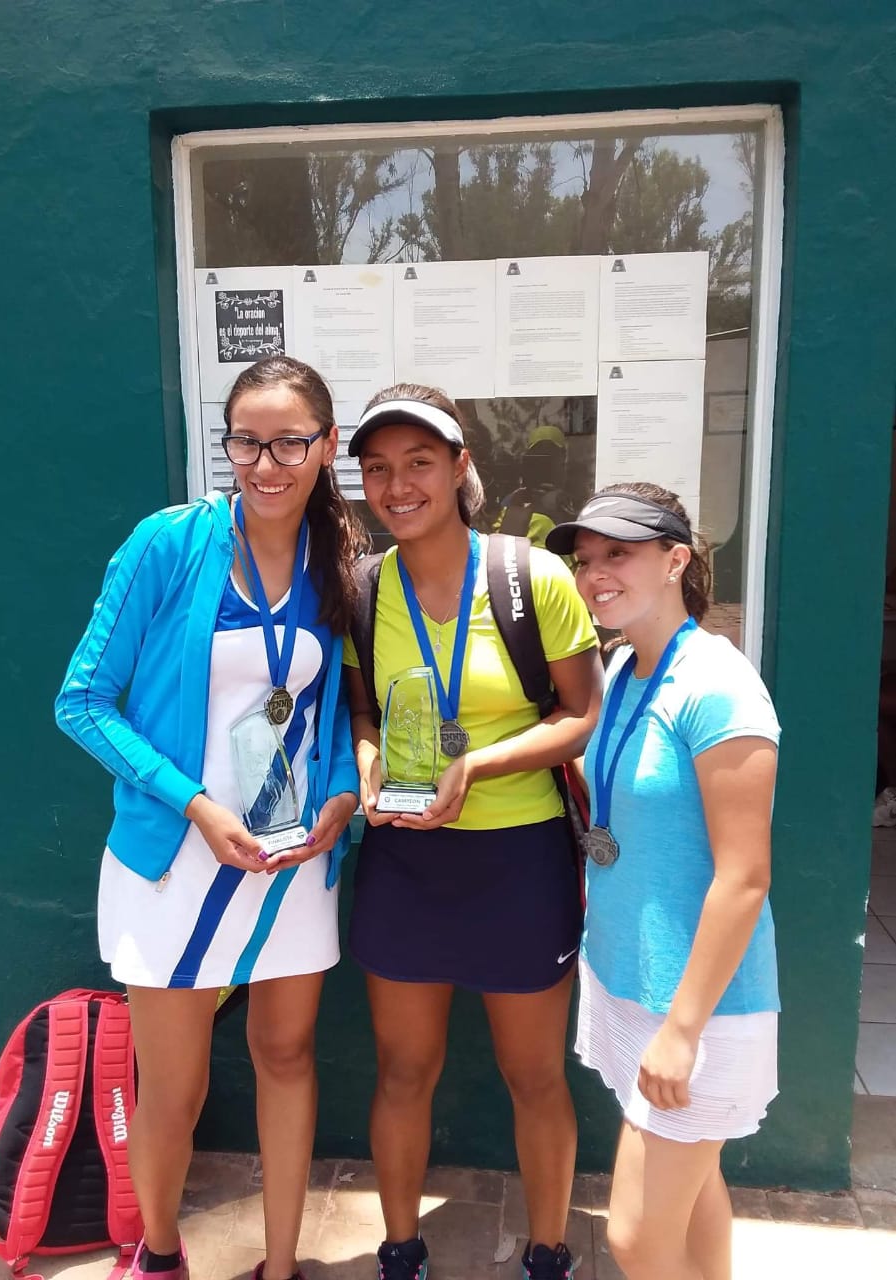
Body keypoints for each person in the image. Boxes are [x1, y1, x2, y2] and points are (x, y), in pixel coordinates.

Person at [55, 356, 365, 1280]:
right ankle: (157, 1255)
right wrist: (192, 804)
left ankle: (281, 1265)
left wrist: (341, 796)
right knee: (175, 1088)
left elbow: (330, 719)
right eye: (246, 442)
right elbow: (82, 701)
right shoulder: (169, 544)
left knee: (288, 1056)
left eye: (289, 443)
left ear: (326, 446)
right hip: (176, 858)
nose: (266, 465)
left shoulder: (335, 564)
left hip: (290, 859)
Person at [343, 384, 603, 1280]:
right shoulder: (362, 589)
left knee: (534, 1077)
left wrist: (478, 768)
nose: (397, 486)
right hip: (404, 858)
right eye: (378, 468)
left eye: (419, 462)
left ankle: (548, 1252)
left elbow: (579, 716)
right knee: (401, 1073)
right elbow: (364, 714)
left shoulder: (533, 578)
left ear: (460, 467)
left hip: (516, 860)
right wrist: (368, 763)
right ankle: (400, 1250)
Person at [546, 483, 780, 1280]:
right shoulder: (623, 666)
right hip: (632, 981)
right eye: (585, 559)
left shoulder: (717, 684)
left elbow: (744, 877)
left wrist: (682, 1033)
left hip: (697, 1009)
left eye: (618, 554)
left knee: (637, 1239)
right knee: (695, 1189)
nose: (595, 574)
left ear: (675, 560)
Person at [494, 423, 575, 550]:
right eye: (539, 453)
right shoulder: (515, 499)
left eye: (551, 454)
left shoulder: (572, 496)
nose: (545, 465)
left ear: (563, 457)